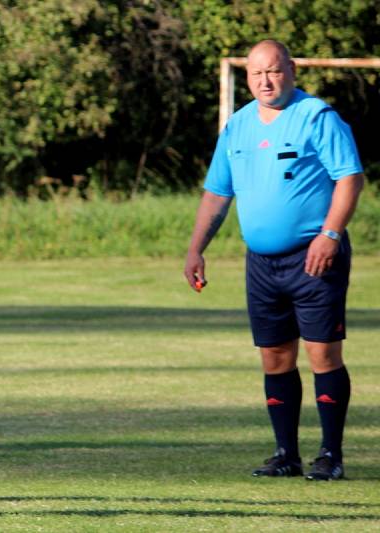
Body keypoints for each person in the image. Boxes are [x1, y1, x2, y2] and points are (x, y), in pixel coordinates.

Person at [184, 39, 364, 481]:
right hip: (262, 264)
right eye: (256, 73)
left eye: (274, 71)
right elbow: (217, 193)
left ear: (292, 70)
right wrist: (195, 248)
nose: (265, 81)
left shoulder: (317, 117)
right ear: (246, 77)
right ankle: (287, 454)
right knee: (275, 359)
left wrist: (330, 234)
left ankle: (330, 455)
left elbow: (350, 179)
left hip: (315, 257)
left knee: (323, 354)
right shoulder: (238, 126)